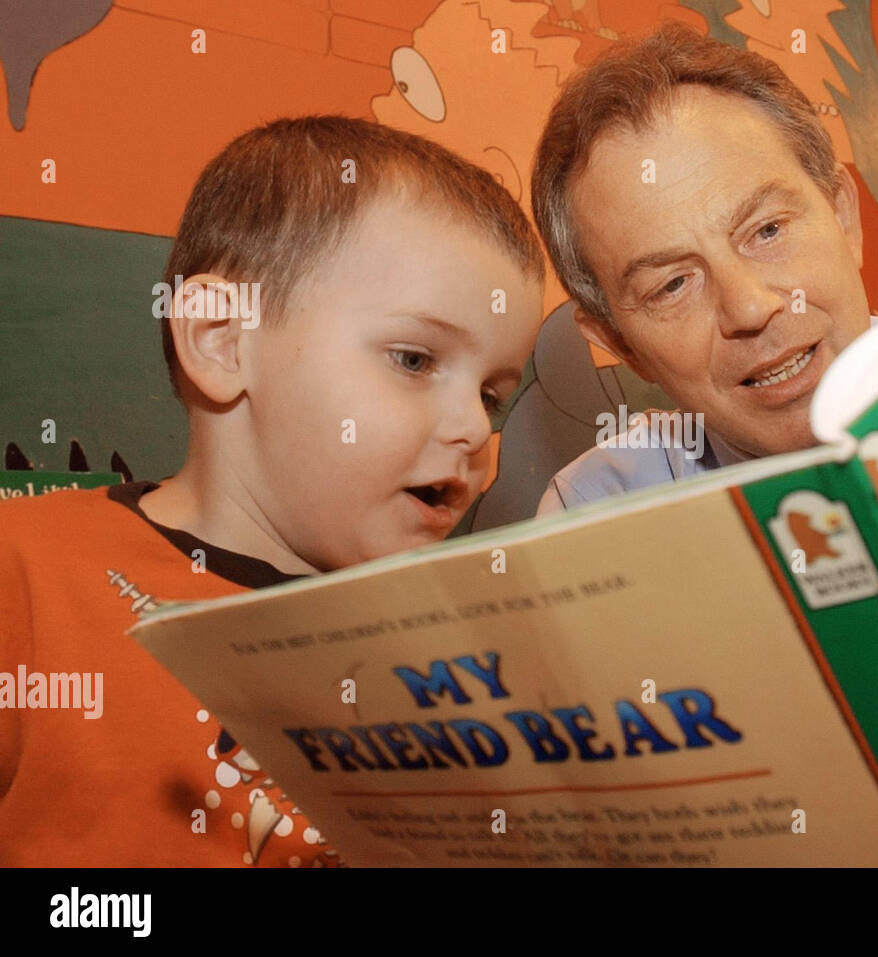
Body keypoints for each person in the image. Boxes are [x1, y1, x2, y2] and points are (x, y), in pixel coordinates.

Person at [0, 116, 546, 865]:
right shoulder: (25, 567)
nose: (470, 427)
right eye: (415, 359)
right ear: (224, 340)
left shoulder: (455, 652)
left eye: (491, 396)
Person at [533, 23, 874, 514]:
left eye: (768, 231)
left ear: (844, 219)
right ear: (620, 344)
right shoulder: (592, 520)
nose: (749, 307)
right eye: (673, 285)